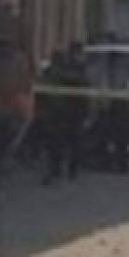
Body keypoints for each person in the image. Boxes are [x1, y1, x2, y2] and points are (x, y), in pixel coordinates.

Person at [38, 48, 90, 184]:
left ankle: (62, 169)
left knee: (62, 143)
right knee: (62, 144)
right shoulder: (67, 73)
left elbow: (83, 94)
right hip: (62, 114)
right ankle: (63, 169)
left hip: (65, 114)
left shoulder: (54, 73)